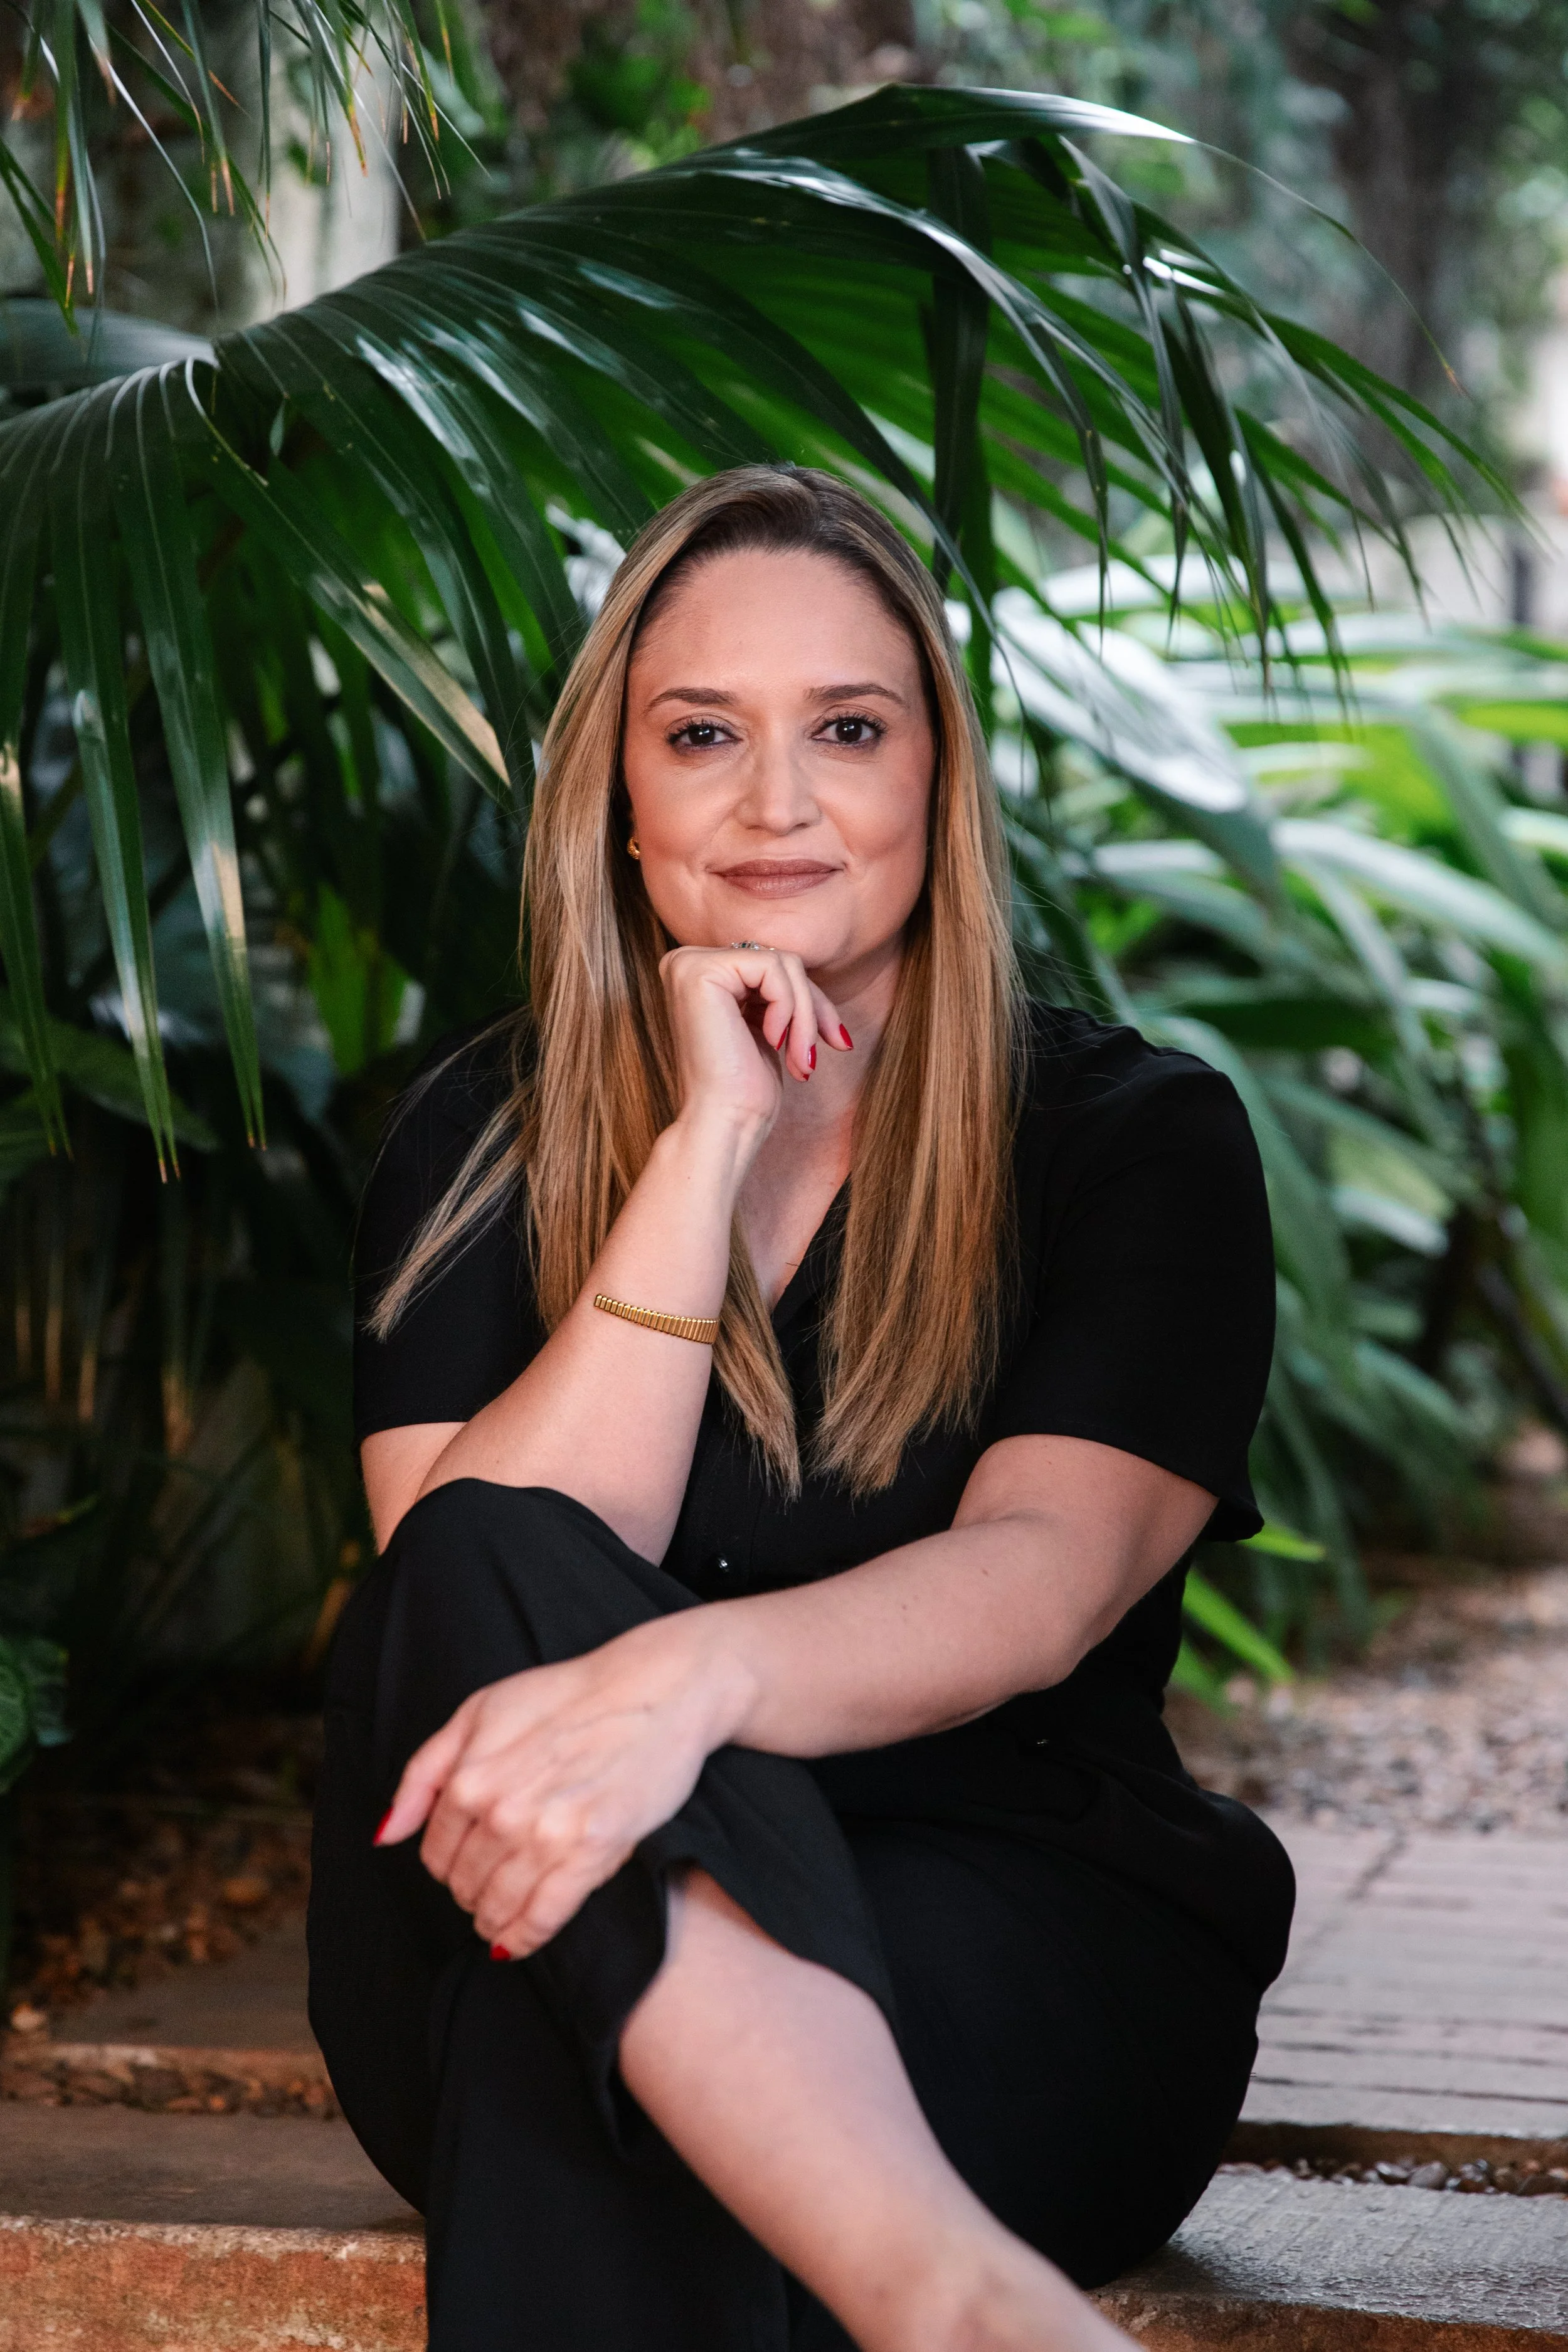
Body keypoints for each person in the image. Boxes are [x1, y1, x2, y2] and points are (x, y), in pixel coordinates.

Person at [309, 464, 1294, 2352]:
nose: (776, 803)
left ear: (939, 776)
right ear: (621, 798)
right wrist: (709, 1141)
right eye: (702, 735)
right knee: (484, 1565)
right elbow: (470, 1588)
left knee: (578, 2065)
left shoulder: (1129, 1141)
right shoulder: (478, 1144)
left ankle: (937, 2277)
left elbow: (1040, 1578)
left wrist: (694, 1682)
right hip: (517, 1894)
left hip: (1005, 1921)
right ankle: (949, 2294)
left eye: (847, 728)